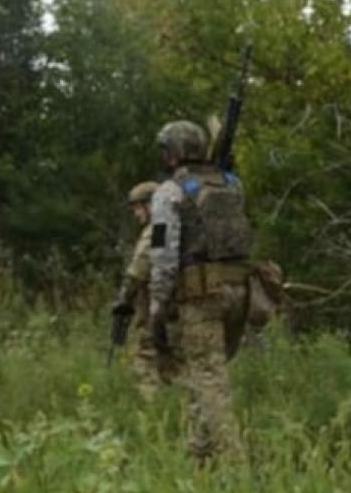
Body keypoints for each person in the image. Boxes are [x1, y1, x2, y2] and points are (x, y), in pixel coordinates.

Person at [147, 120, 253, 461]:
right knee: (204, 373)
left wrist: (157, 303)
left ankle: (234, 462)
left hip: (200, 295)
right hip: (240, 292)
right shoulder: (232, 184)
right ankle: (199, 456)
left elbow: (162, 251)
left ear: (173, 153)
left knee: (207, 376)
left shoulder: (169, 192)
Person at [112, 180, 168, 399]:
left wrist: (123, 298)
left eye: (138, 207)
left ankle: (152, 407)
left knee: (144, 356)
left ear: (152, 205)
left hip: (156, 305)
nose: (136, 214)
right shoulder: (175, 227)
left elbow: (139, 268)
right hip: (172, 304)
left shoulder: (158, 229)